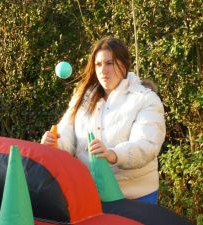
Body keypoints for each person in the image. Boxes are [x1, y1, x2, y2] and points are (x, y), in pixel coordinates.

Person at [41, 36, 166, 204]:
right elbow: (67, 130)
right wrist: (56, 142)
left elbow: (147, 144)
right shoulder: (83, 96)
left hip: (133, 197)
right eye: (98, 64)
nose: (103, 70)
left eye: (109, 63)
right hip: (88, 193)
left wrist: (114, 154)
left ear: (124, 65)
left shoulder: (145, 99)